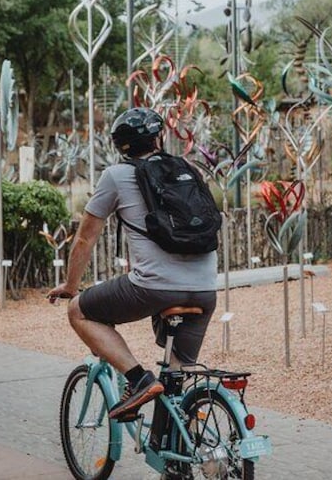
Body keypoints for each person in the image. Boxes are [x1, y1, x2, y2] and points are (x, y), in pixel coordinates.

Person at [47, 108, 217, 420]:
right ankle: (183, 461)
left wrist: (71, 286)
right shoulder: (189, 169)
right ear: (158, 137)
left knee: (79, 311)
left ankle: (138, 380)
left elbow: (85, 238)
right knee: (176, 383)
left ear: (120, 146)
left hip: (154, 288)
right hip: (206, 289)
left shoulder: (116, 175)